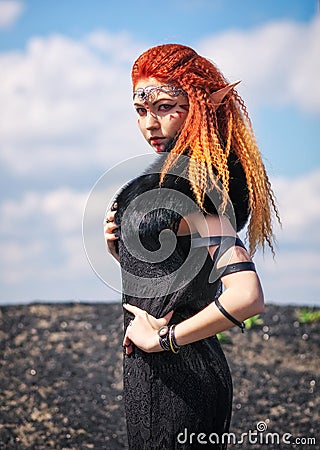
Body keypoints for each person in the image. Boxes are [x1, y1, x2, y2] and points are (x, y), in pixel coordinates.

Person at [104, 44, 279, 450]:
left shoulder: (200, 189)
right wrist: (128, 248)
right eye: (140, 110)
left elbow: (247, 297)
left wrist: (163, 340)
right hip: (154, 379)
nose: (150, 123)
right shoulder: (177, 183)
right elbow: (180, 268)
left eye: (165, 106)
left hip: (184, 382)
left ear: (199, 106)